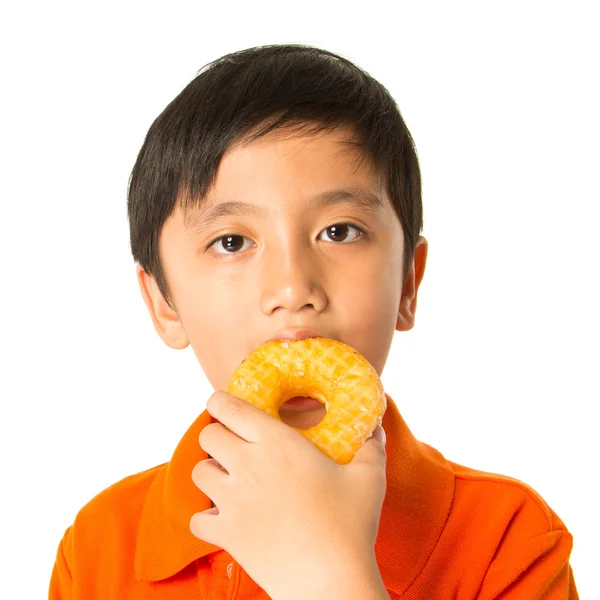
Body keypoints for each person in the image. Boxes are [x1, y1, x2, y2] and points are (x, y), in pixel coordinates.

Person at [49, 44, 579, 599]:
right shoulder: (100, 549)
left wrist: (329, 576)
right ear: (163, 302)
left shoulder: (508, 541)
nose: (293, 289)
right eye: (232, 242)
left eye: (340, 231)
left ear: (407, 283)